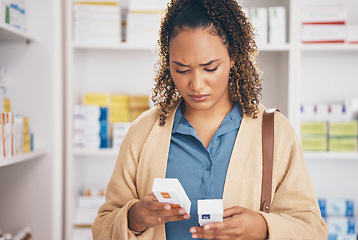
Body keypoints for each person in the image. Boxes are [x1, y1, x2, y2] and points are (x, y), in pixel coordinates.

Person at [92, 0, 328, 239]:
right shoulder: (143, 132)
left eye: (210, 68)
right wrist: (135, 217)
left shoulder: (275, 132)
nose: (196, 84)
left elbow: (313, 230)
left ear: (233, 56)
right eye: (182, 70)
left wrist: (263, 227)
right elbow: (102, 227)